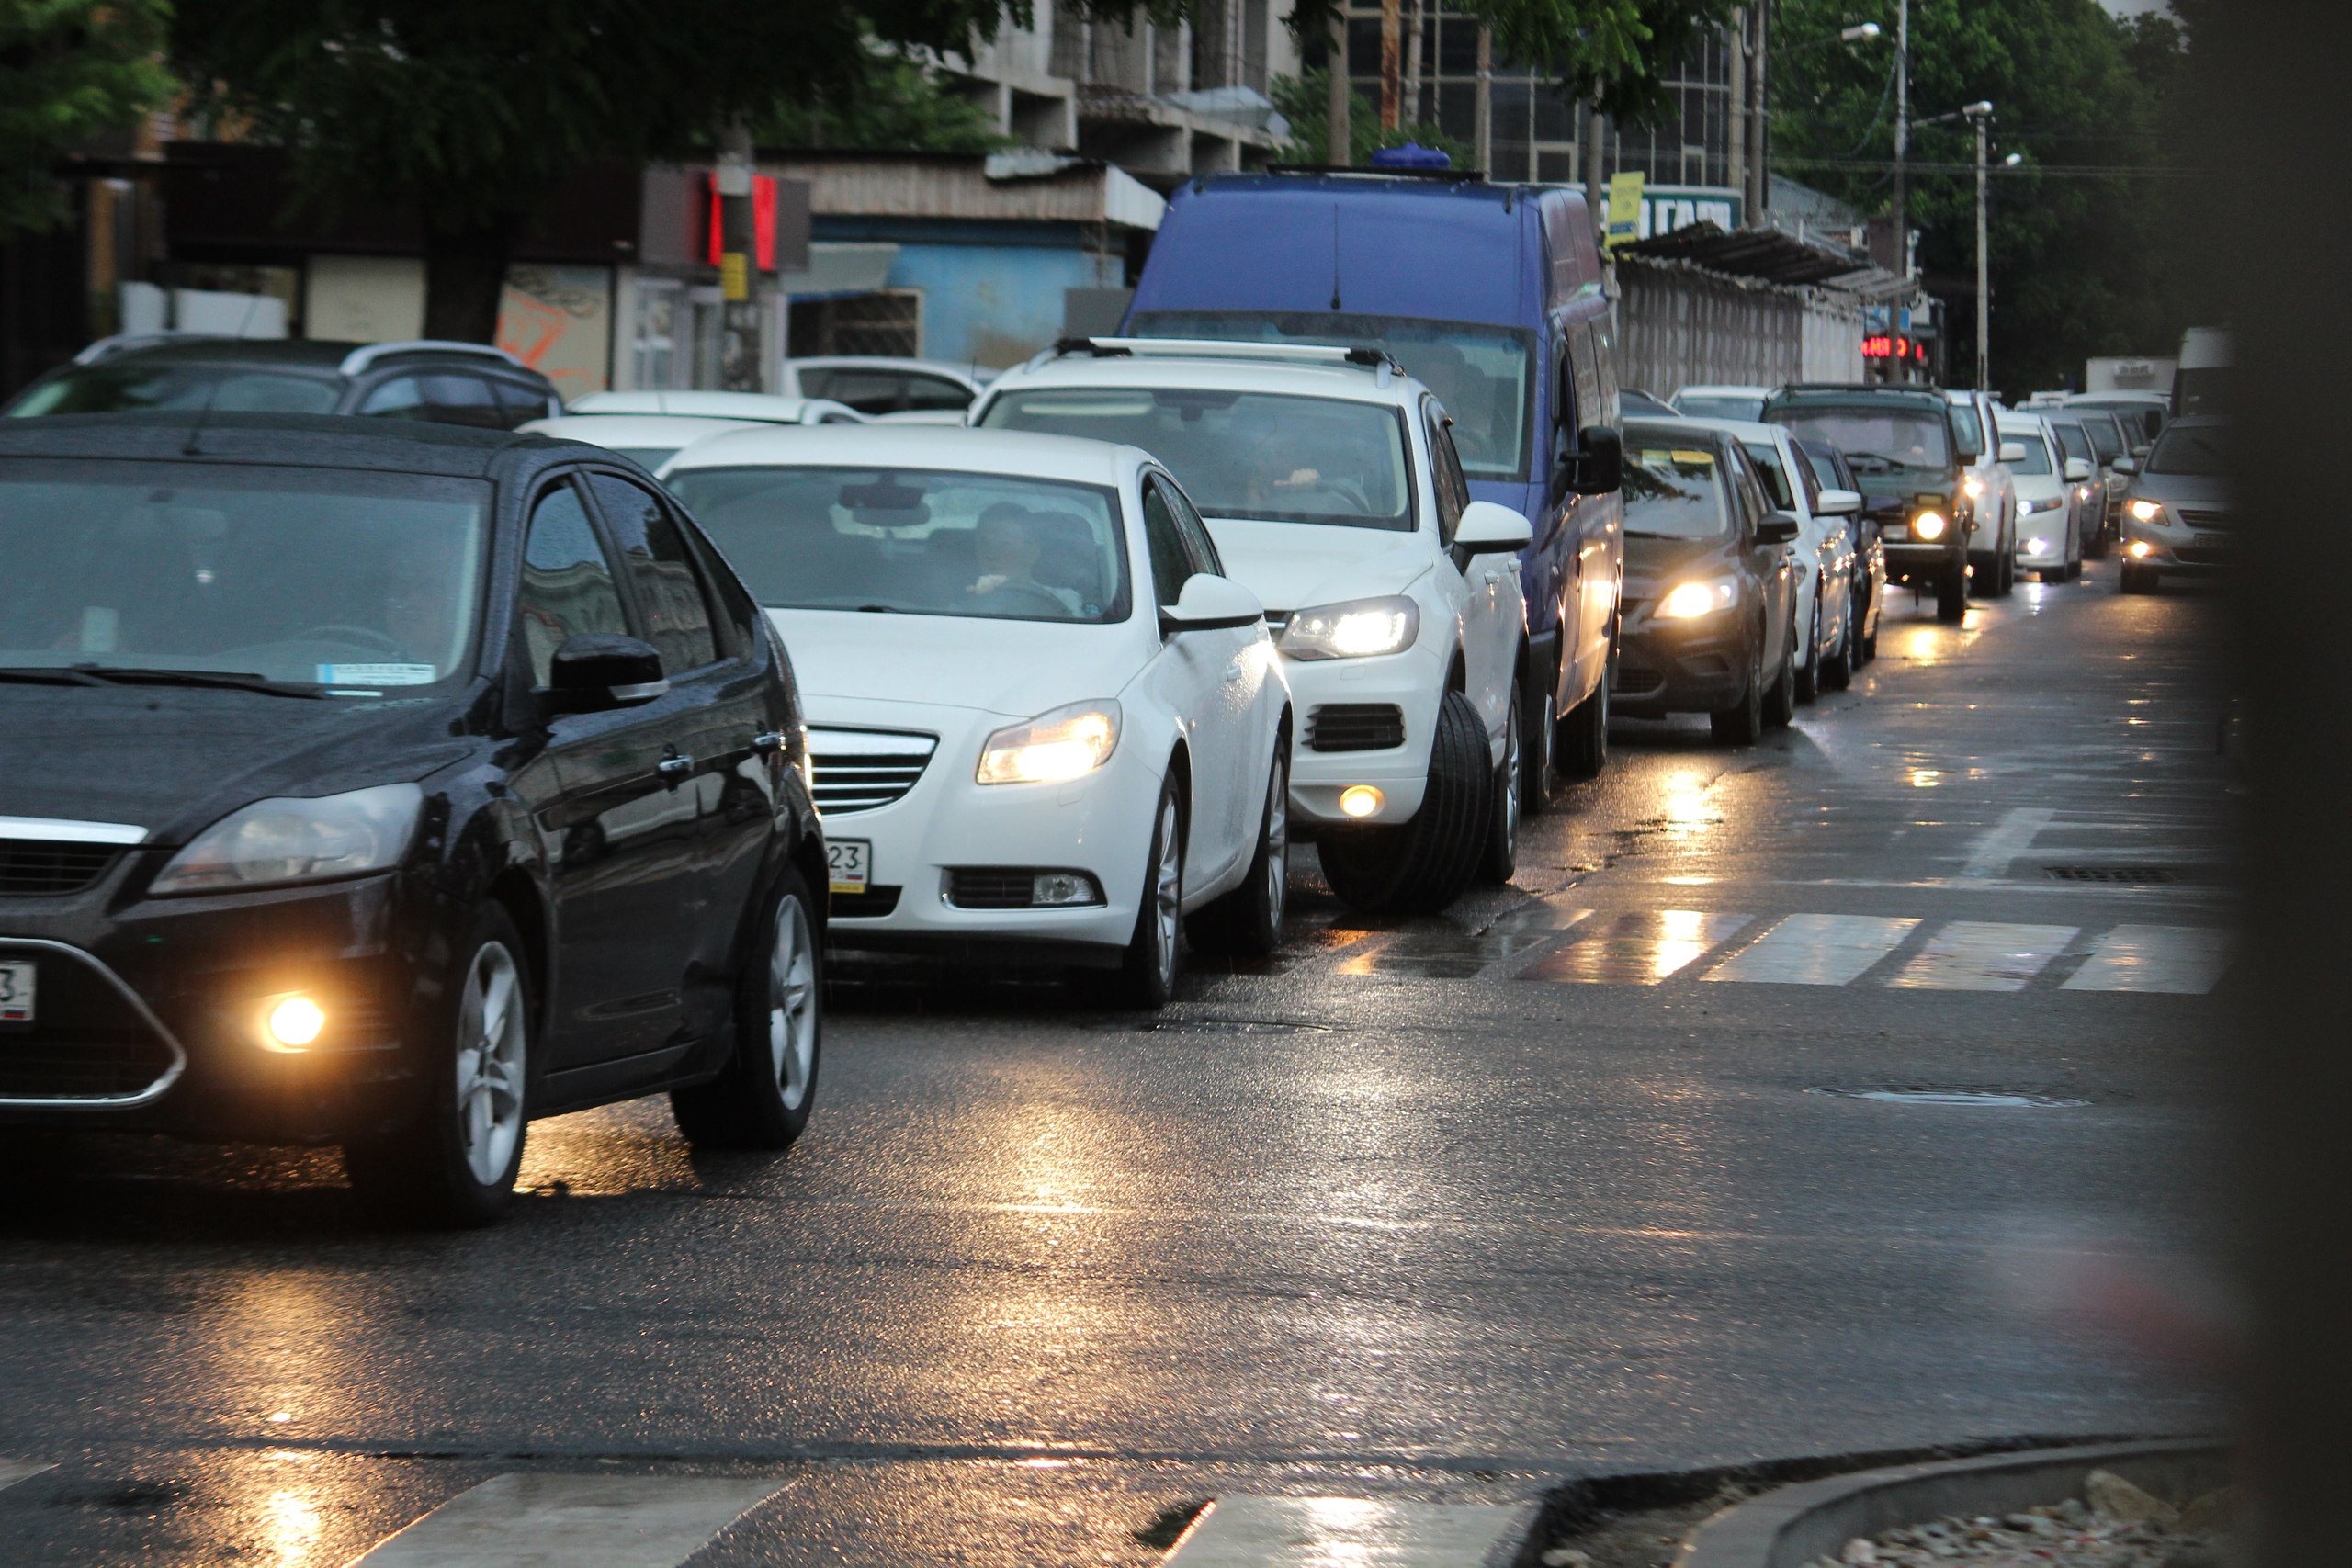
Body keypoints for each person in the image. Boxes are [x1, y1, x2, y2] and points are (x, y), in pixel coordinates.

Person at [967, 504, 1080, 615]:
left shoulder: (1065, 600)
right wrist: (979, 600)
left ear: (1031, 554)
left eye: (1003, 544)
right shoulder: (964, 601)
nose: (991, 553)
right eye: (984, 543)